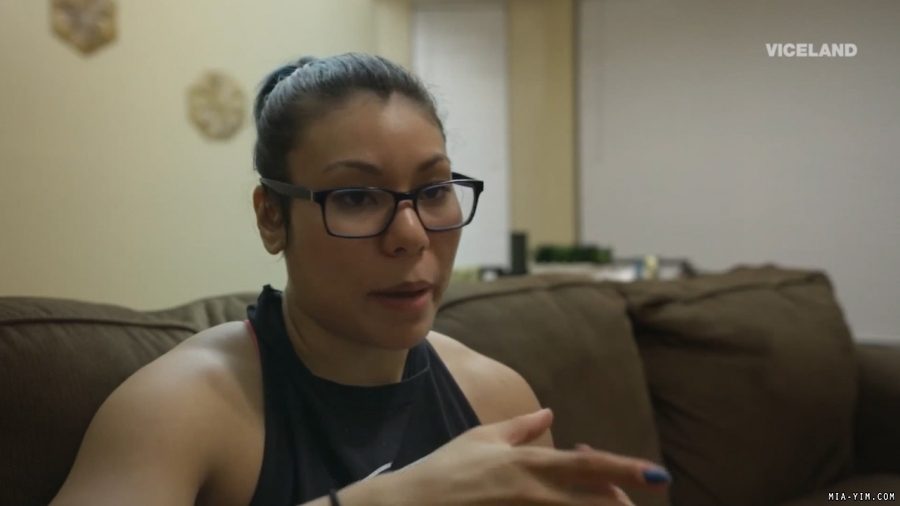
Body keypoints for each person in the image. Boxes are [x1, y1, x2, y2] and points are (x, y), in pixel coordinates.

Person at [49, 53, 671, 506]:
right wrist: (397, 496)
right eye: (354, 197)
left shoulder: (497, 400)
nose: (411, 234)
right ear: (272, 218)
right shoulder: (182, 406)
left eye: (433, 189)